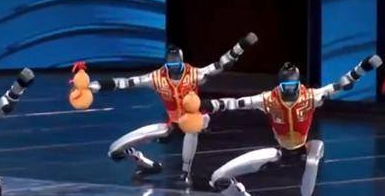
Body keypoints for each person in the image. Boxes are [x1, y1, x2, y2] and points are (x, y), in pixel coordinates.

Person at [195, 55, 382, 196]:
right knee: (218, 178)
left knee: (312, 162)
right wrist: (212, 105)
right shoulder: (268, 99)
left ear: (298, 83)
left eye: (293, 86)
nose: (290, 91)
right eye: (286, 87)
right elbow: (238, 103)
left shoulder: (310, 96)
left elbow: (341, 85)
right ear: (280, 85)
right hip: (279, 153)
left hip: (304, 150)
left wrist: (363, 68)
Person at [76, 33, 257, 185]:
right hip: (172, 123)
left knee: (192, 128)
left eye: (177, 64)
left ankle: (185, 173)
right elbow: (126, 82)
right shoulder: (156, 78)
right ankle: (144, 162)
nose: (174, 69)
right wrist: (95, 86)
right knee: (114, 151)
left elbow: (221, 65)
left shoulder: (194, 74)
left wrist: (240, 46)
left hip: (196, 118)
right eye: (171, 65)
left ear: (182, 62)